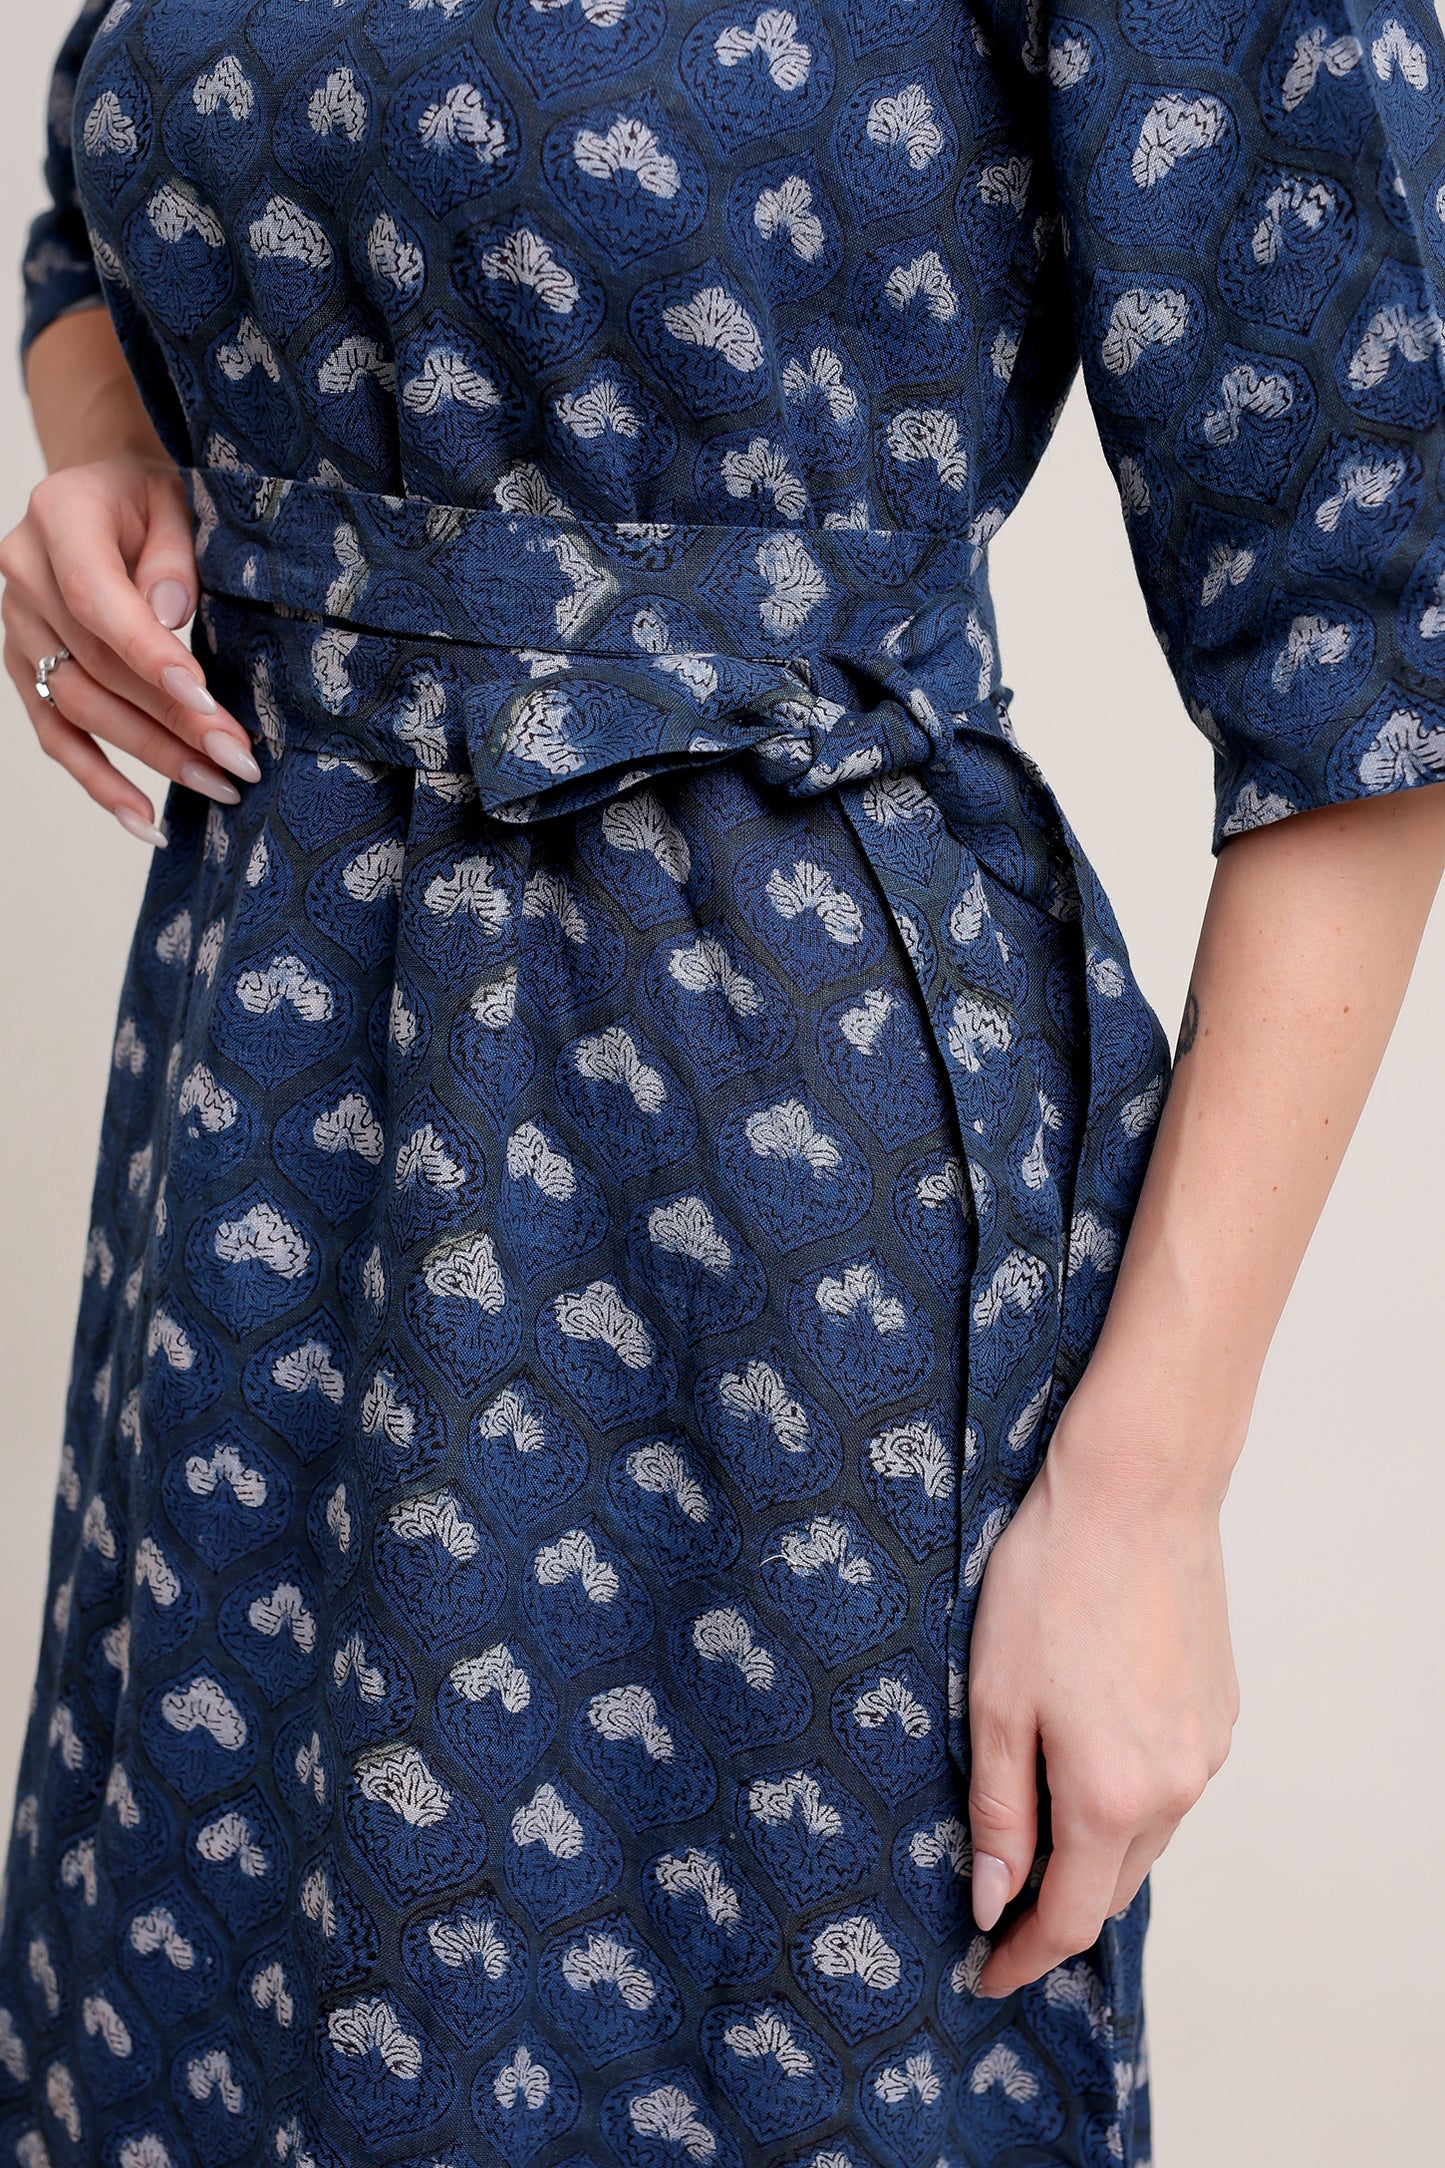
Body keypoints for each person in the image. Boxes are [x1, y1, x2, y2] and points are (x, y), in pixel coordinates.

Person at [0, 1, 1441, 2162]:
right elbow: (95, 212)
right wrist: (112, 440)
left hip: (759, 1243)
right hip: (260, 1158)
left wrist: (1144, 1505)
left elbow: (1369, 647)